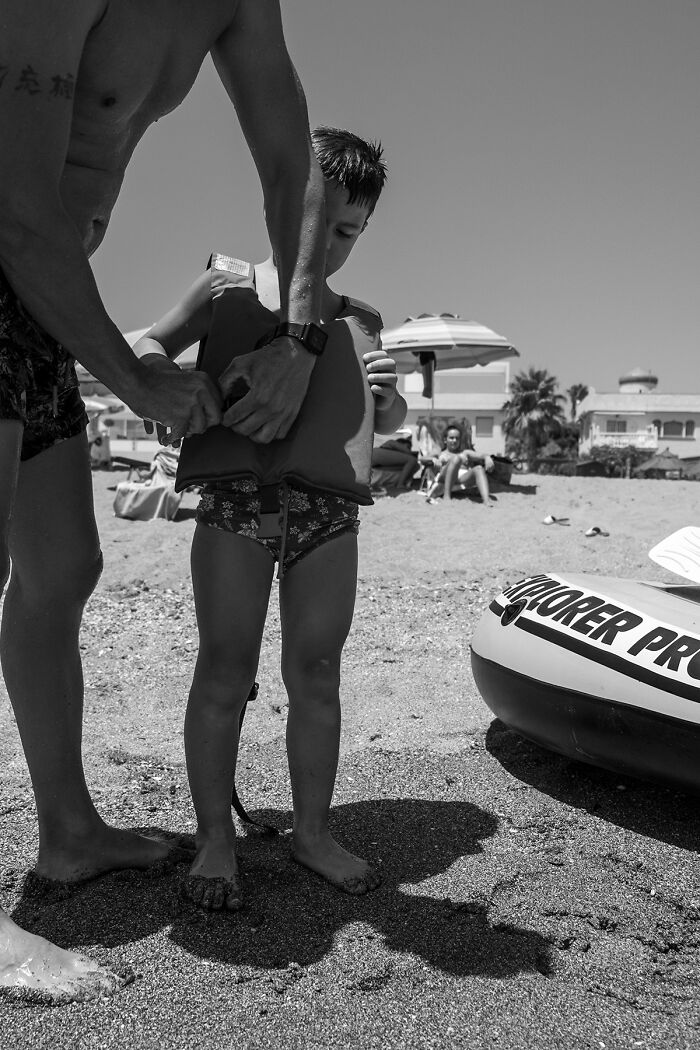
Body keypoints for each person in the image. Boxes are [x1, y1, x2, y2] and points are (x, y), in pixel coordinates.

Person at [0, 1, 326, 1000]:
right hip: (17, 248)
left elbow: (291, 165)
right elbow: (15, 208)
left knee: (63, 567)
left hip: (41, 288)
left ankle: (68, 834)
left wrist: (296, 333)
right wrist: (132, 376)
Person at [133, 127, 405, 910]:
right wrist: (160, 380)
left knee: (318, 673)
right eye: (316, 223)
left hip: (328, 519)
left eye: (349, 232)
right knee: (225, 669)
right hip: (234, 508)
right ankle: (217, 837)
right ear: (277, 205)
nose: (330, 243)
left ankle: (312, 832)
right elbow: (148, 340)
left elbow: (381, 419)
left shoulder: (363, 319)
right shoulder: (223, 288)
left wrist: (387, 398)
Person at [422, 424, 493, 505]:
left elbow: (480, 455)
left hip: (461, 479)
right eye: (451, 438)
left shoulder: (465, 453)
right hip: (444, 477)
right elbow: (422, 459)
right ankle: (447, 496)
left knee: (479, 468)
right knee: (456, 459)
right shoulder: (439, 452)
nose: (454, 440)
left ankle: (486, 500)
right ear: (445, 440)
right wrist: (433, 459)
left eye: (457, 438)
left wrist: (487, 457)